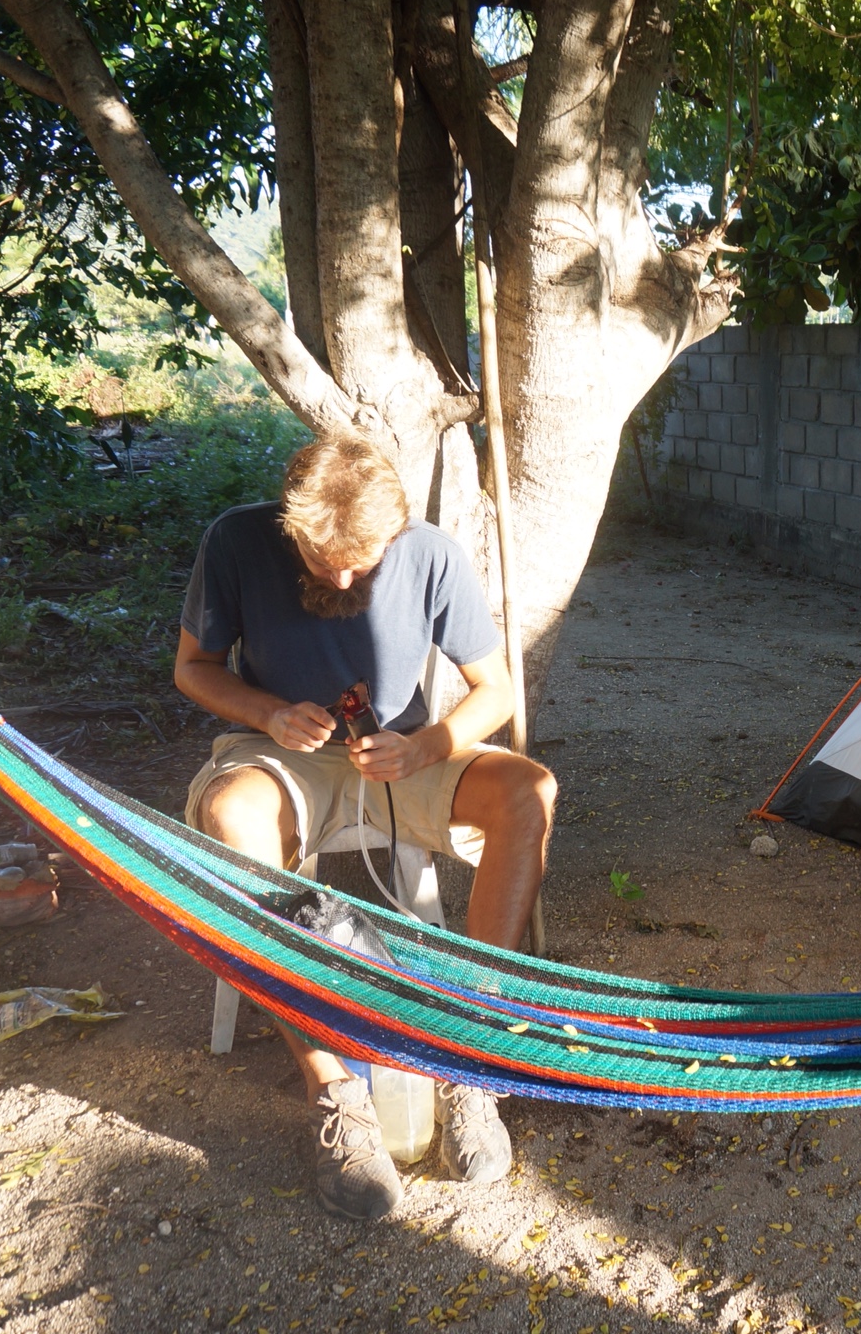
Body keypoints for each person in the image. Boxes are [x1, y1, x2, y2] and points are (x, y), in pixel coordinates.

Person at [173, 435, 557, 1221]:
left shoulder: (430, 553)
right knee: (230, 812)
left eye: (363, 563)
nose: (343, 579)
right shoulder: (236, 541)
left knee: (529, 792)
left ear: (395, 533)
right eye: (324, 560)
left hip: (402, 753)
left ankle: (466, 1058)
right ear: (292, 527)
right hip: (280, 752)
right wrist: (269, 713)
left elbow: (495, 690)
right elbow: (193, 668)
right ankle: (337, 1093)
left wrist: (428, 745)